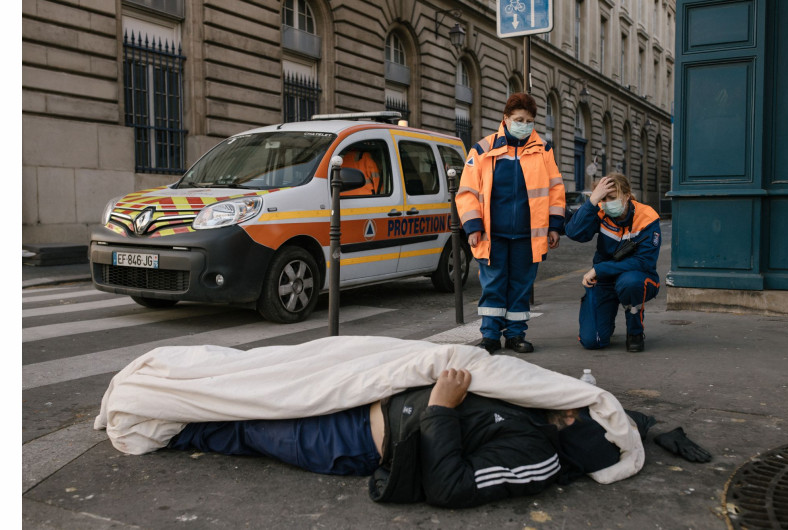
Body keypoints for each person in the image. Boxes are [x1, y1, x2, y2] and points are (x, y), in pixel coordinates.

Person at [167, 369, 710, 508]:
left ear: (573, 425)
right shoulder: (538, 413)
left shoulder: (536, 457)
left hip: (355, 439)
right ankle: (183, 398)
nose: (572, 401)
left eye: (580, 408)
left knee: (245, 428)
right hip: (366, 395)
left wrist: (441, 409)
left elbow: (451, 485)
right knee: (254, 390)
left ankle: (167, 426)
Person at [456, 92, 566, 354]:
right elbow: (467, 192)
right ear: (505, 118)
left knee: (520, 287)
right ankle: (490, 336)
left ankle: (516, 336)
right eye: (519, 119)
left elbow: (555, 190)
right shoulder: (483, 149)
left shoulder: (544, 151)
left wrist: (554, 226)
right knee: (493, 285)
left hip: (529, 235)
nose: (524, 124)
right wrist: (473, 227)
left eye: (529, 120)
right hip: (493, 235)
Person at [564, 172, 661, 352]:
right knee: (591, 341)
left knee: (630, 283)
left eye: (612, 197)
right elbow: (573, 232)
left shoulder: (647, 216)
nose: (608, 203)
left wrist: (598, 269)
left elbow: (643, 262)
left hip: (638, 277)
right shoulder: (600, 210)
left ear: (626, 195)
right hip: (605, 280)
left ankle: (635, 332)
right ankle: (606, 323)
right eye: (604, 198)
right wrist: (592, 201)